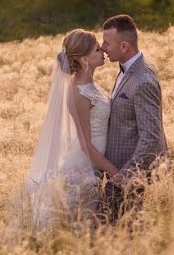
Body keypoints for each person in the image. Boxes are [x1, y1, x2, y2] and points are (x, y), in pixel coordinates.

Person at [23, 29, 120, 230]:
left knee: (90, 222)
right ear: (84, 59)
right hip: (84, 166)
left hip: (97, 163)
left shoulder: (91, 85)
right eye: (96, 48)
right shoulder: (77, 92)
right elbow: (85, 144)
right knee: (79, 224)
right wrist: (113, 171)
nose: (102, 49)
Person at [99, 14, 169, 223]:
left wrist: (126, 174)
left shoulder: (143, 80)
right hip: (119, 172)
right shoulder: (127, 69)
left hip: (132, 175)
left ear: (123, 46)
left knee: (127, 233)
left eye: (107, 43)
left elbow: (151, 136)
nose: (102, 47)